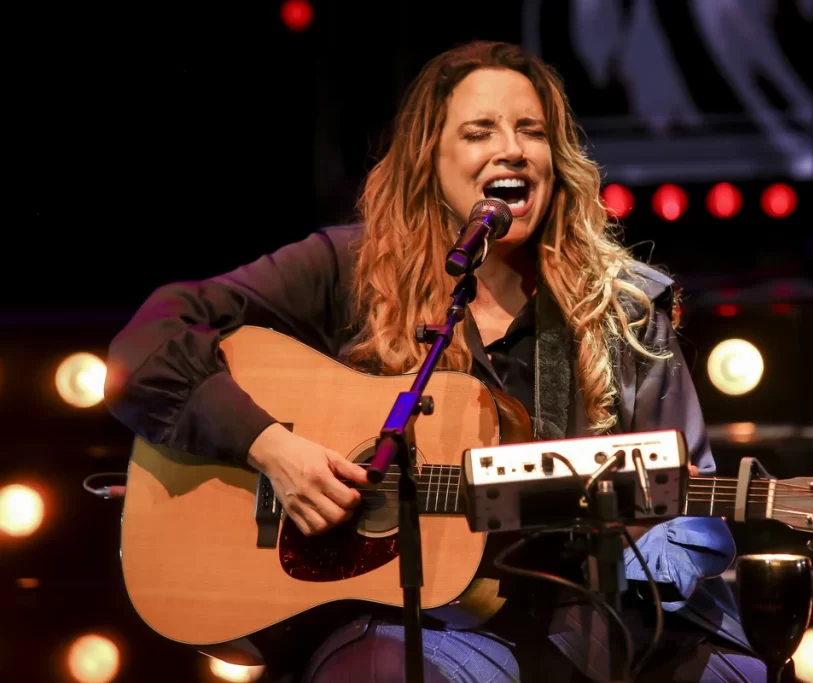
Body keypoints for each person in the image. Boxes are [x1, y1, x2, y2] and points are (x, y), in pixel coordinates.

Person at [103, 41, 766, 683]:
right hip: (405, 623)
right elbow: (147, 347)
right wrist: (271, 446)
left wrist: (635, 543)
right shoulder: (347, 270)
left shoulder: (624, 308)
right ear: (430, 159)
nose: (511, 148)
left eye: (531, 131)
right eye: (480, 132)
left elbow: (688, 505)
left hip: (586, 617)